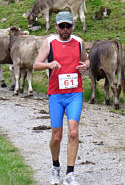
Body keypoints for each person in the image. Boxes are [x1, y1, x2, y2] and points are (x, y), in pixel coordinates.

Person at [33, 11, 90, 185]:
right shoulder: (49, 42)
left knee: (73, 132)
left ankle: (70, 173)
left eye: (68, 26)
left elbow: (87, 61)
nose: (65, 30)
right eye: (62, 26)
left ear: (73, 26)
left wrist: (85, 66)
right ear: (57, 26)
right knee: (56, 136)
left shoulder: (79, 42)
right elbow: (36, 64)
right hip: (56, 94)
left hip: (74, 93)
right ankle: (55, 167)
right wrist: (49, 65)